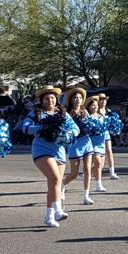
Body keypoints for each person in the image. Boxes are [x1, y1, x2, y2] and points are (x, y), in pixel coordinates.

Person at [22, 86, 79, 228]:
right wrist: (42, 128)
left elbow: (76, 129)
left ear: (56, 99)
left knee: (54, 184)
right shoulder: (36, 113)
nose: (50, 100)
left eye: (52, 98)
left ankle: (49, 216)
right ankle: (58, 210)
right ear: (42, 100)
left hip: (59, 151)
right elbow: (25, 128)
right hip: (41, 150)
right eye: (47, 98)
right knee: (55, 178)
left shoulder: (62, 113)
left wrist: (69, 134)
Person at [61, 88, 95, 205]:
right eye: (75, 97)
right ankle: (63, 185)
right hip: (75, 143)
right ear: (71, 100)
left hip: (86, 142)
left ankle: (86, 196)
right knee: (74, 174)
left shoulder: (85, 112)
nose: (78, 100)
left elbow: (91, 125)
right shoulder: (67, 113)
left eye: (80, 98)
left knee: (87, 169)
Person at [99, 94, 120, 180]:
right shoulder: (96, 110)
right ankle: (90, 171)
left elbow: (112, 122)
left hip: (106, 133)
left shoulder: (109, 111)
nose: (103, 101)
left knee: (109, 151)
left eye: (105, 100)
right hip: (97, 135)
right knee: (98, 154)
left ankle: (112, 172)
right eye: (101, 100)